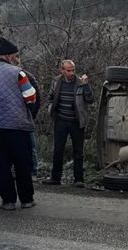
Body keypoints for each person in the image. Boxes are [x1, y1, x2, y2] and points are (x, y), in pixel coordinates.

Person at [0, 37, 37, 210]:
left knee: (0, 164)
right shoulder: (18, 72)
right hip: (16, 125)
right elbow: (31, 96)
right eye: (16, 56)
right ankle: (26, 199)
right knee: (22, 164)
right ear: (10, 56)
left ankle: (8, 201)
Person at [42, 59, 94, 187]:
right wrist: (50, 109)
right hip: (60, 120)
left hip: (76, 121)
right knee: (58, 150)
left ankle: (78, 179)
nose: (71, 73)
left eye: (73, 70)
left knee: (78, 151)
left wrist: (86, 85)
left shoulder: (80, 83)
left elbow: (90, 99)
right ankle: (55, 178)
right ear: (62, 71)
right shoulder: (56, 81)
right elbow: (50, 98)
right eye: (69, 70)